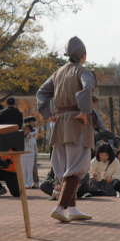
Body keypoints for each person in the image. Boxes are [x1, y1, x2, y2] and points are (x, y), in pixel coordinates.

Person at [36, 36, 95, 223]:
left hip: (60, 122)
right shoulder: (83, 71)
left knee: (64, 166)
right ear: (83, 55)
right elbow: (87, 89)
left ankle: (73, 209)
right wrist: (85, 112)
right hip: (77, 120)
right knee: (77, 167)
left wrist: (48, 114)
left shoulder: (58, 73)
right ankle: (60, 208)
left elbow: (41, 92)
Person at [23, 116, 41, 188]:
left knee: (34, 168)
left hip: (33, 152)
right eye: (33, 121)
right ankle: (25, 183)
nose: (35, 123)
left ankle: (36, 181)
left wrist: (29, 134)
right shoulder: (23, 131)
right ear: (28, 122)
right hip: (24, 153)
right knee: (24, 169)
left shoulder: (35, 130)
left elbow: (34, 133)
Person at [21, 124, 37, 189]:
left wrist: (29, 138)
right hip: (23, 155)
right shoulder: (21, 137)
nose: (27, 131)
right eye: (25, 130)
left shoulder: (33, 137)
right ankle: (24, 183)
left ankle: (29, 184)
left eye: (28, 130)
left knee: (29, 170)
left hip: (30, 155)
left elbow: (31, 144)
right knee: (24, 170)